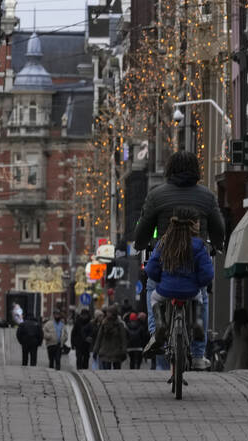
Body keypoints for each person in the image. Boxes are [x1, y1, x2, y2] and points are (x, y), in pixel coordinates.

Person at [132, 151, 226, 370]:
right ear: (196, 170)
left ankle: (156, 333)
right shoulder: (207, 196)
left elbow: (144, 225)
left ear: (169, 169)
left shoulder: (157, 195)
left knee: (152, 287)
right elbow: (219, 227)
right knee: (201, 294)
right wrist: (217, 245)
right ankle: (199, 353)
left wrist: (140, 244)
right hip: (195, 257)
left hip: (167, 257)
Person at [142, 208, 215, 367]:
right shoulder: (198, 244)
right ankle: (197, 327)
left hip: (166, 290)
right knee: (201, 298)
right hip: (190, 291)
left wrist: (160, 278)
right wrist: (198, 281)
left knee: (153, 296)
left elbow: (151, 269)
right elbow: (207, 274)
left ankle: (158, 327)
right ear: (194, 225)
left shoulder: (164, 242)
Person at [92, 305, 129, 370]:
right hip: (105, 352)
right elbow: (99, 338)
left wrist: (124, 351)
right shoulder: (104, 324)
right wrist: (95, 350)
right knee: (106, 373)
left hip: (116, 353)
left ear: (114, 313)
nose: (107, 314)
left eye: (109, 312)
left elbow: (123, 339)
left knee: (116, 372)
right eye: (107, 312)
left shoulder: (119, 325)